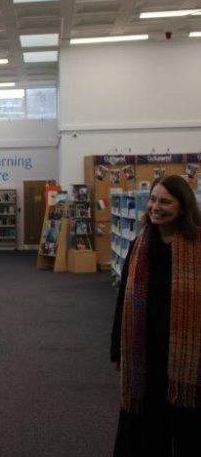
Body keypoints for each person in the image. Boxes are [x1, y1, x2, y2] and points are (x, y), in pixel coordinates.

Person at [110, 175, 201, 456]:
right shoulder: (140, 245)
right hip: (144, 351)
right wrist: (117, 349)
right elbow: (124, 298)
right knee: (146, 425)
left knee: (188, 424)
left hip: (188, 355)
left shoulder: (197, 247)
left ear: (183, 207)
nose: (155, 206)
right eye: (152, 199)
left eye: (165, 201)